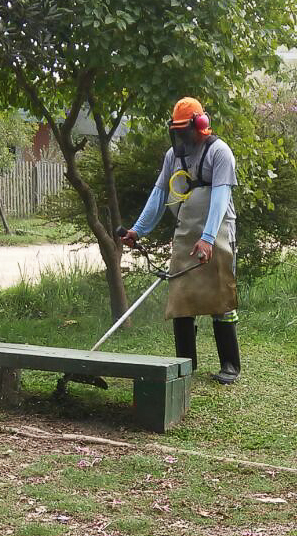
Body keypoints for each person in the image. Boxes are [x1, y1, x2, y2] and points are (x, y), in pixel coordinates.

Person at [121, 97, 241, 384]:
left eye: (185, 131)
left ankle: (230, 365)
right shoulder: (173, 156)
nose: (181, 137)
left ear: (200, 125)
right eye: (176, 132)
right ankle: (184, 364)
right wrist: (138, 230)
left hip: (218, 231)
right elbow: (159, 193)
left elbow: (221, 199)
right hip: (187, 232)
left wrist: (209, 238)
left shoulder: (220, 153)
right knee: (182, 298)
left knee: (221, 296)